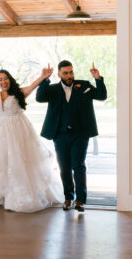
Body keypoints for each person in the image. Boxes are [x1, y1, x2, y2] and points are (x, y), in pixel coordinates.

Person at [0, 52, 63, 212]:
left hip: (18, 132)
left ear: (10, 80)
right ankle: (0, 194)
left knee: (19, 162)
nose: (3, 81)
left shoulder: (19, 93)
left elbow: (32, 86)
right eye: (0, 79)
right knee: (0, 162)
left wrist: (43, 77)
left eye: (5, 78)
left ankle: (18, 195)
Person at [36, 60, 107, 212]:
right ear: (59, 74)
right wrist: (44, 79)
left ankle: (80, 200)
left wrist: (98, 79)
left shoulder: (84, 86)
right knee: (64, 167)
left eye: (71, 72)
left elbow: (102, 95)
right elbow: (39, 98)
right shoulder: (53, 89)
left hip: (80, 134)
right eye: (66, 73)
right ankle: (68, 198)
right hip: (60, 135)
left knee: (78, 165)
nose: (69, 75)